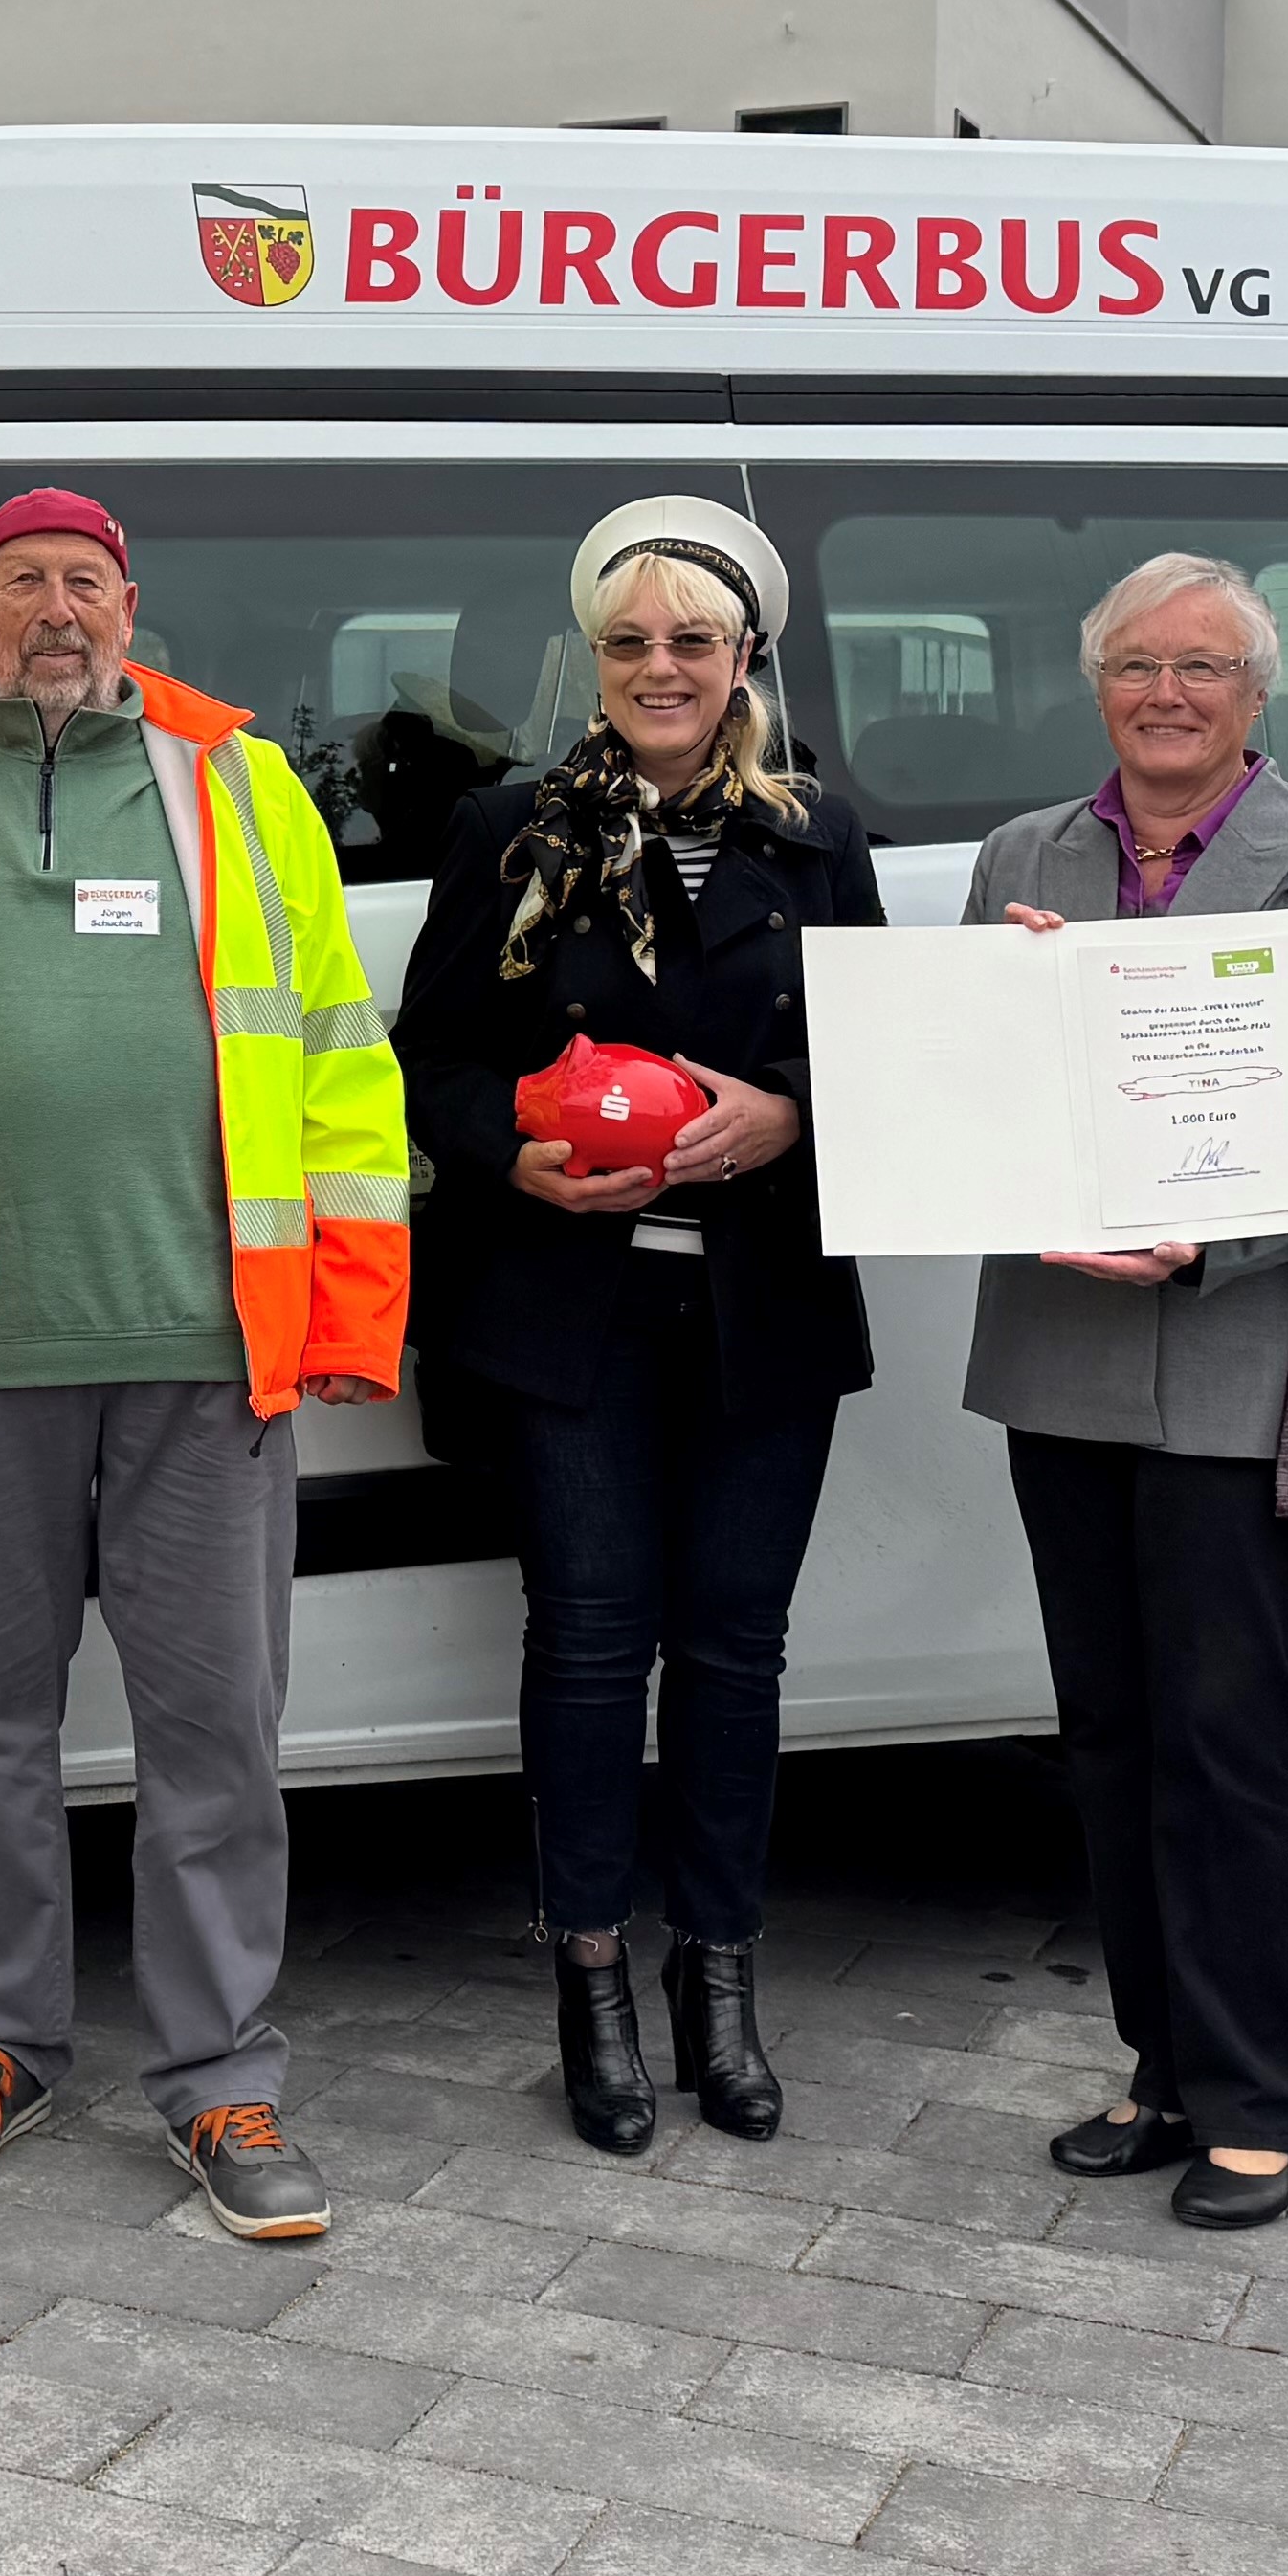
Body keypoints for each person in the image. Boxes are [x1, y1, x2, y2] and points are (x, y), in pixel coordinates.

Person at [0, 487, 408, 2240]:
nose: (55, 611)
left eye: (84, 583)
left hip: (211, 1348)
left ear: (131, 605)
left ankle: (224, 2079)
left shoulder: (238, 784)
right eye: (19, 584)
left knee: (218, 1730)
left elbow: (341, 1057)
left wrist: (351, 1303)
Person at [958, 555, 1288, 2231]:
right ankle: (1160, 2066)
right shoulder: (1026, 859)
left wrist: (1211, 1239)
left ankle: (1261, 2099)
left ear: (1259, 694)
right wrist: (1001, 1017)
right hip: (1059, 1362)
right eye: (1137, 668)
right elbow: (971, 1096)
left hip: (1244, 1363)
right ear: (1096, 686)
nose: (1168, 695)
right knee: (1107, 1739)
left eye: (1205, 668)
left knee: (1232, 1742)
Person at [392, 498, 877, 2154]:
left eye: (693, 640)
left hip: (761, 1305)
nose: (660, 668)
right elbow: (429, 1060)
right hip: (570, 1313)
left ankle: (719, 1982)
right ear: (589, 659)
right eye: (628, 642)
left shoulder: (820, 834)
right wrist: (509, 1153)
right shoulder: (509, 827)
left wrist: (788, 1117)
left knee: (737, 1652)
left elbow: (888, 1063)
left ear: (746, 656)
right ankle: (592, 1984)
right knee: (592, 1650)